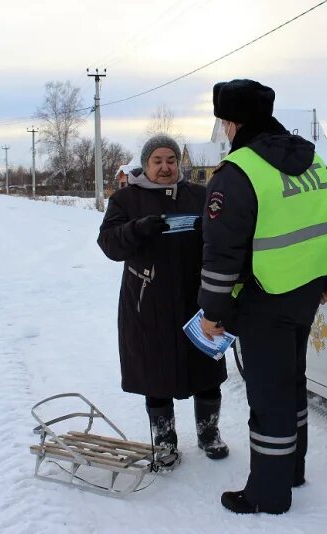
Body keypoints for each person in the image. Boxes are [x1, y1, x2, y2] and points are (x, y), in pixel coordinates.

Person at [198, 79, 327, 514]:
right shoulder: (312, 160)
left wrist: (212, 312)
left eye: (223, 122)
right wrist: (326, 280)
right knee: (291, 385)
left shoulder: (239, 171)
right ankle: (291, 469)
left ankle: (267, 493)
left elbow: (221, 254)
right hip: (304, 295)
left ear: (231, 122)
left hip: (264, 300)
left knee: (268, 395)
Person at [97, 134, 229, 469]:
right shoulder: (126, 199)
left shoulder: (199, 195)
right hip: (148, 303)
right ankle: (165, 442)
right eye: (157, 161)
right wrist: (138, 229)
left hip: (197, 300)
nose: (165, 167)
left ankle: (208, 433)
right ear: (146, 164)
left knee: (207, 371)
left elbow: (222, 237)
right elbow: (109, 244)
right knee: (154, 376)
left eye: (171, 160)